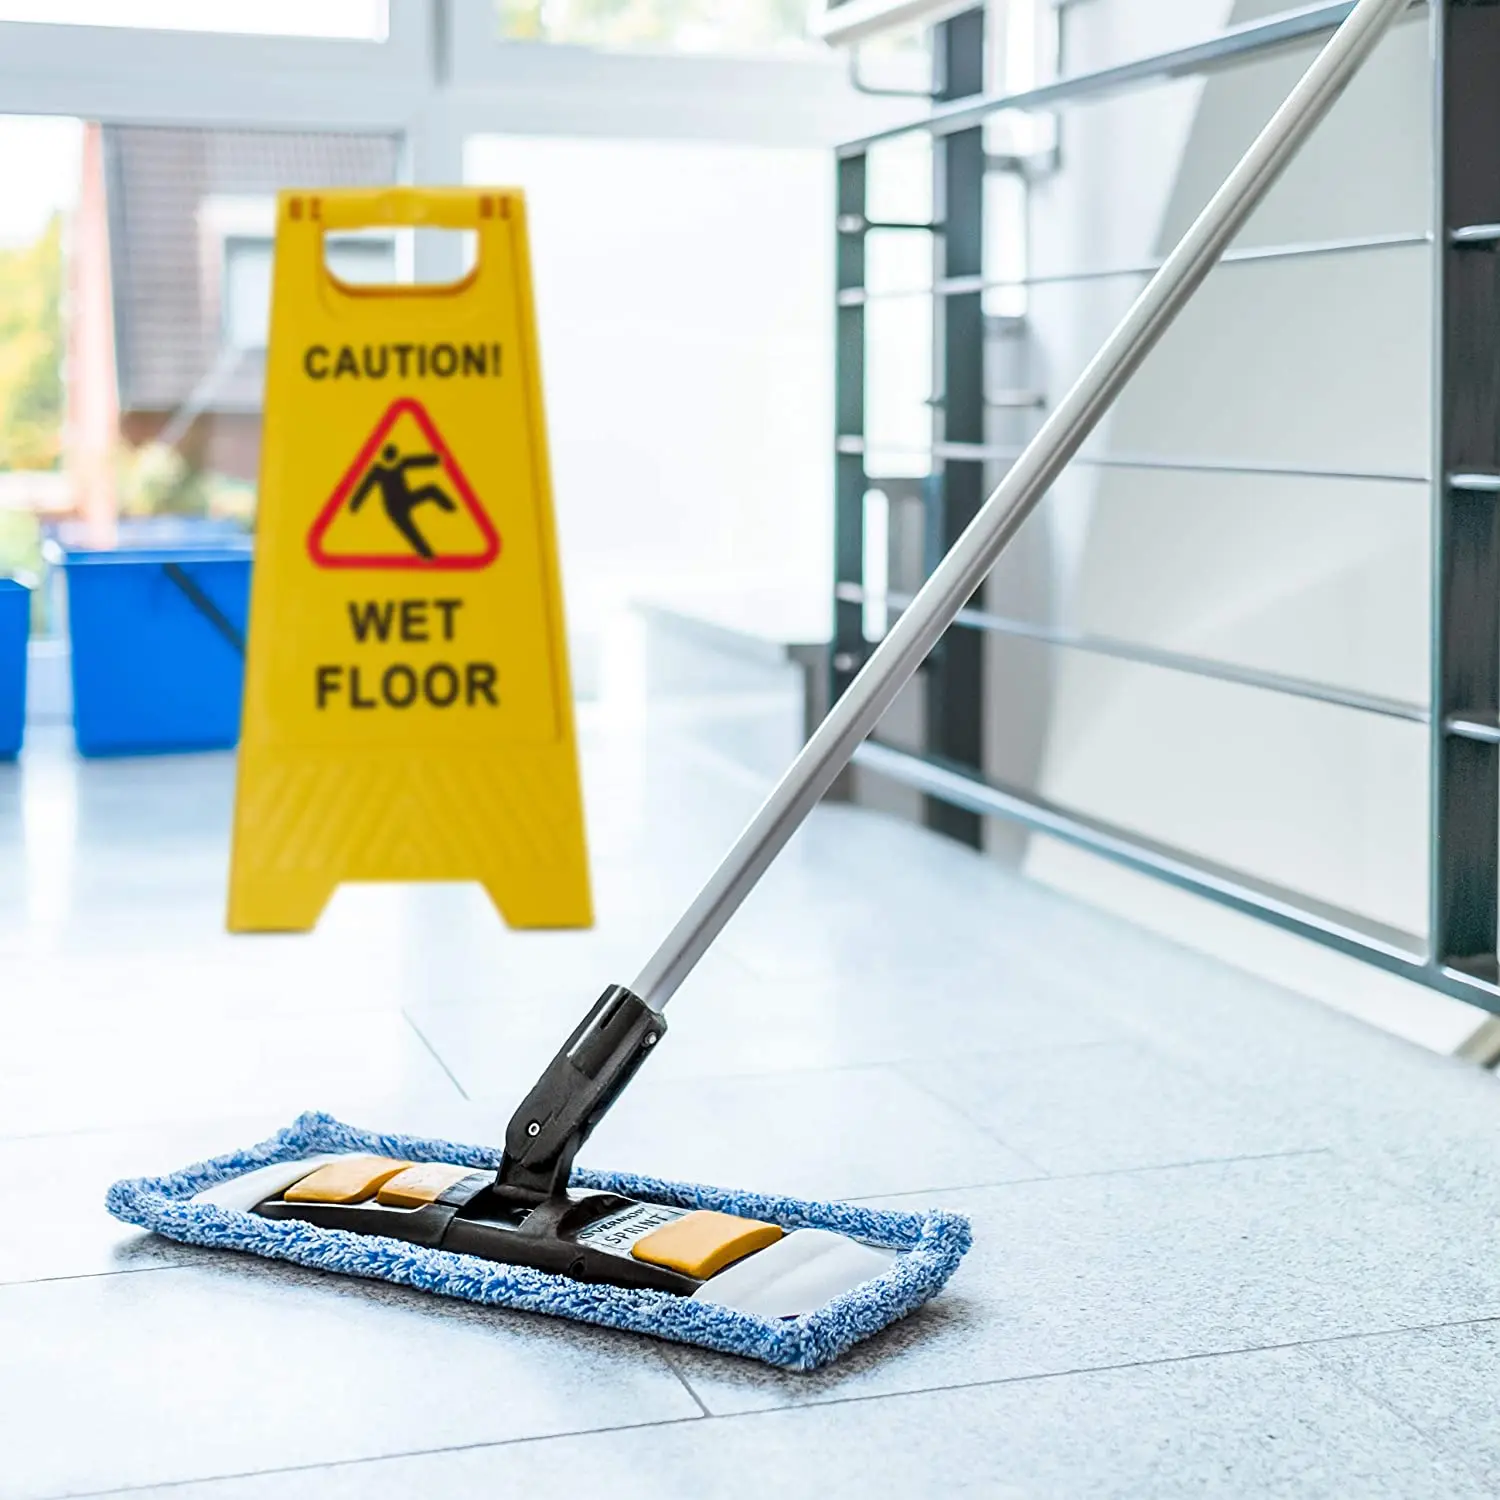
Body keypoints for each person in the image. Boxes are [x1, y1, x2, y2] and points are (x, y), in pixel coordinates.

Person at [349, 444, 456, 558]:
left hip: (406, 499)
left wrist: (437, 459)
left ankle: (451, 508)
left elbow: (417, 461)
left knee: (431, 490)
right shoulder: (378, 470)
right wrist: (354, 505)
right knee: (411, 532)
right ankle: (428, 556)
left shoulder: (399, 463)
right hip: (394, 509)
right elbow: (365, 487)